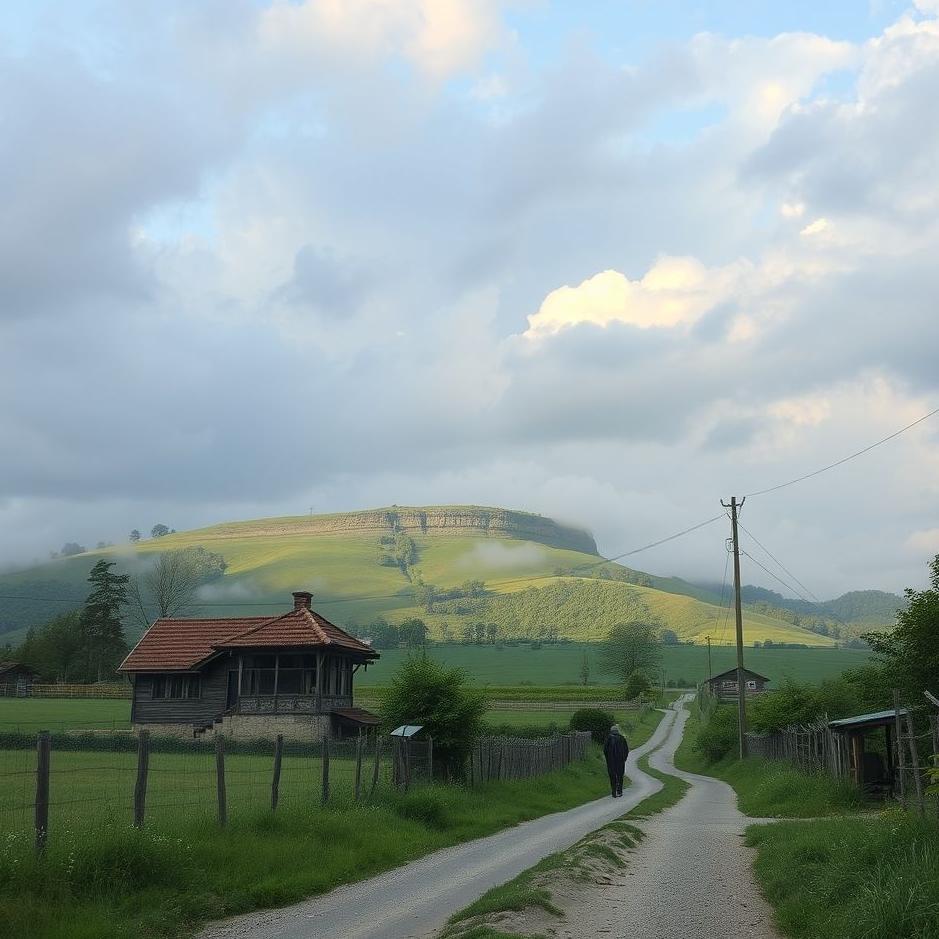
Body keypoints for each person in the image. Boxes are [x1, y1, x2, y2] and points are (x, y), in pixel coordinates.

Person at [603, 723, 629, 798]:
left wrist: (607, 758)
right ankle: (619, 791)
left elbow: (605, 750)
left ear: (611, 731)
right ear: (617, 731)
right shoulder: (622, 738)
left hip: (611, 761)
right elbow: (626, 750)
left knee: (612, 776)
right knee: (620, 776)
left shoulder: (608, 738)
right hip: (620, 761)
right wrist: (624, 758)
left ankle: (614, 792)